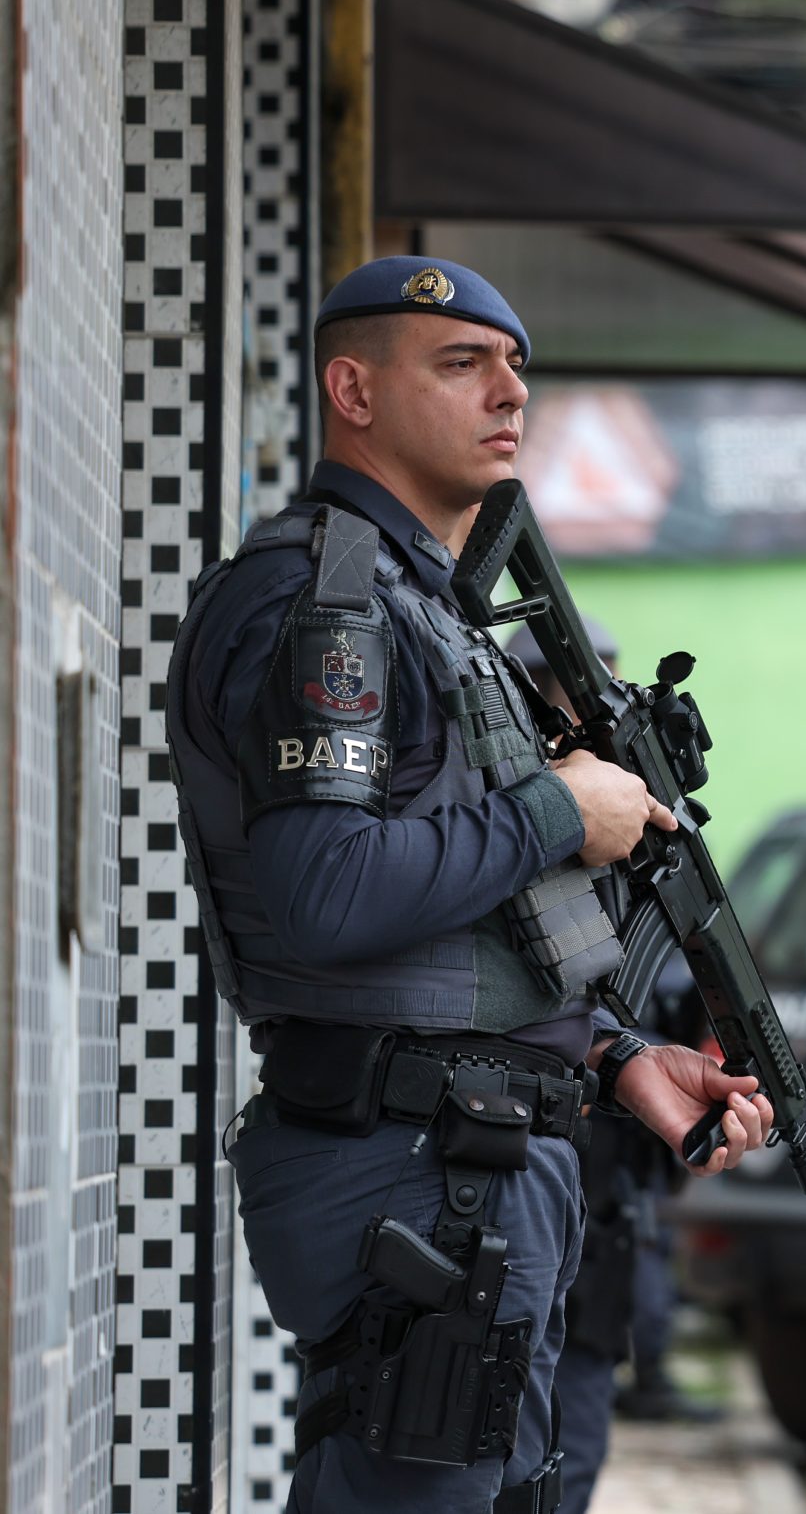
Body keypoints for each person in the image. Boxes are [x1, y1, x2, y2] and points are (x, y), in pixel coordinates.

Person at [165, 255, 774, 1514]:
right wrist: (563, 810)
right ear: (353, 391)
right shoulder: (326, 604)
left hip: (475, 1160)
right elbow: (330, 894)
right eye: (462, 364)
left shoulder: (431, 609)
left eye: (516, 369)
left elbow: (464, 925)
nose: (510, 393)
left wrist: (611, 1058)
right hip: (415, 1169)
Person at [503, 623, 722, 1514]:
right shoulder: (513, 818)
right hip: (516, 1178)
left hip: (600, 1201)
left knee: (575, 1444)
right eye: (580, 701)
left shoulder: (630, 824)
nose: (605, 724)